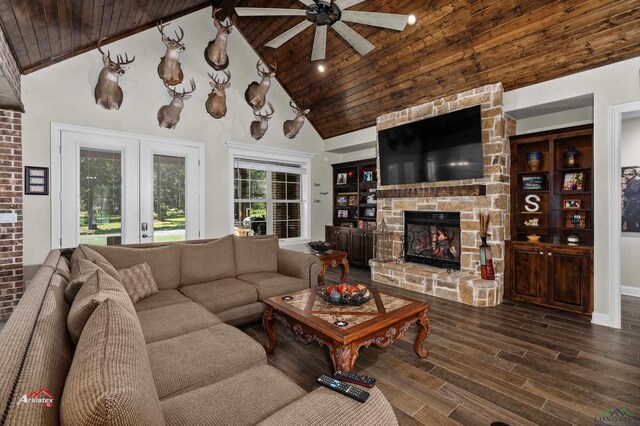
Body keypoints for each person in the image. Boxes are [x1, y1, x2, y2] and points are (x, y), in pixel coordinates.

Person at [623, 168, 640, 232]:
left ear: (629, 175)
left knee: (629, 217)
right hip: (635, 202)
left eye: (625, 175)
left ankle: (632, 231)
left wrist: (624, 189)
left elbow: (632, 190)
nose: (624, 176)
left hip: (634, 203)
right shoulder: (634, 180)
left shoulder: (636, 181)